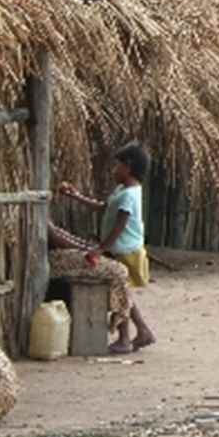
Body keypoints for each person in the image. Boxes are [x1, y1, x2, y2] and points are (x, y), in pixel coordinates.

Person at [56, 142, 157, 352]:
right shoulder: (123, 190)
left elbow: (120, 226)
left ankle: (125, 339)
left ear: (128, 167)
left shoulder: (129, 195)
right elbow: (103, 207)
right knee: (122, 294)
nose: (114, 170)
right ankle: (142, 332)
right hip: (120, 250)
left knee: (119, 294)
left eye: (117, 166)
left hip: (125, 252)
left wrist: (100, 249)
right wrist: (75, 196)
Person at [47, 220, 136, 355]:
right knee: (119, 271)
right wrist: (87, 249)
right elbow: (58, 238)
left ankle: (128, 335)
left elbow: (61, 235)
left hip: (59, 255)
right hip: (55, 258)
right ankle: (125, 337)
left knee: (118, 272)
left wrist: (86, 246)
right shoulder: (38, 212)